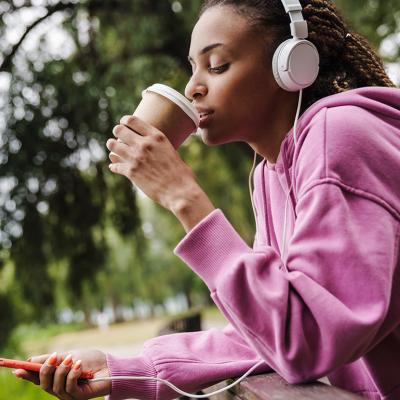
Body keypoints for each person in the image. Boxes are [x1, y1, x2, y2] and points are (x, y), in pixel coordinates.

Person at [15, 1, 400, 399]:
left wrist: (183, 196)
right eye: (193, 68)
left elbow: (307, 339)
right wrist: (125, 368)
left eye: (216, 66)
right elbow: (266, 329)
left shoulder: (340, 135)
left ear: (291, 66)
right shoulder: (268, 174)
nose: (192, 87)